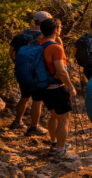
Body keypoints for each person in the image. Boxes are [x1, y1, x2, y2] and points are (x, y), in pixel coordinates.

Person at [34, 18, 79, 162]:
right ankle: (61, 152)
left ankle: (55, 143)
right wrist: (71, 87)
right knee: (64, 120)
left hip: (41, 88)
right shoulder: (55, 48)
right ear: (55, 30)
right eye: (60, 27)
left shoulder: (34, 43)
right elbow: (61, 71)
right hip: (56, 88)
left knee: (54, 116)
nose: (61, 29)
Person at [8, 11, 52, 133]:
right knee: (37, 100)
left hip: (22, 70)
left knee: (24, 97)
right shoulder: (44, 36)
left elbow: (11, 52)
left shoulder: (21, 34)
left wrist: (19, 64)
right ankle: (34, 127)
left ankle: (17, 121)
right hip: (37, 73)